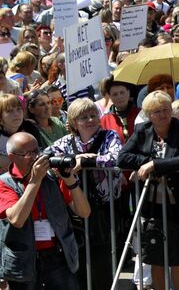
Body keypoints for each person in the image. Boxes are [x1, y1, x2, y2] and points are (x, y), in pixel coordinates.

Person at [117, 91, 179, 290]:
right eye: (157, 111)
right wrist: (147, 163)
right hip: (150, 206)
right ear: (148, 114)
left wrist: (156, 165)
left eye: (166, 109)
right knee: (155, 255)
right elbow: (122, 158)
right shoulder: (143, 130)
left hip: (178, 204)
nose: (163, 114)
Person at [45, 98, 125, 290]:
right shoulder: (65, 141)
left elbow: (115, 158)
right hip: (74, 208)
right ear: (74, 122)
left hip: (105, 208)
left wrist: (91, 160)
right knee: (79, 260)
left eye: (93, 115)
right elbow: (46, 157)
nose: (90, 120)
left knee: (102, 260)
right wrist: (76, 158)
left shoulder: (109, 136)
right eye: (83, 117)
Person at [0, 132, 91, 290]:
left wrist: (70, 181)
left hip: (58, 259)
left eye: (37, 151)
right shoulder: (4, 183)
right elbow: (17, 219)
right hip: (24, 263)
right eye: (28, 153)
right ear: (12, 157)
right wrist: (35, 181)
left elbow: (84, 212)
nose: (36, 157)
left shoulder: (52, 178)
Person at [0, 94, 42, 173]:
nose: (16, 114)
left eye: (18, 109)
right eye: (9, 111)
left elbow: (39, 152)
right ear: (1, 118)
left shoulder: (30, 127)